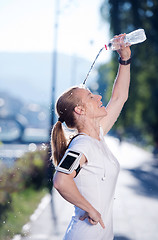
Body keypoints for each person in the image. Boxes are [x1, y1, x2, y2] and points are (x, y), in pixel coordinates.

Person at [51, 34, 131, 240]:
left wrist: (125, 59)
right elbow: (61, 181)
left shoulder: (97, 136)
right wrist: (91, 209)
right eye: (90, 96)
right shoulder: (82, 145)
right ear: (79, 109)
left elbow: (119, 98)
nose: (99, 97)